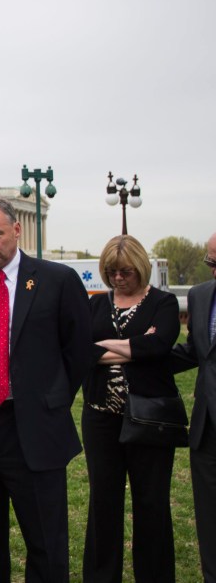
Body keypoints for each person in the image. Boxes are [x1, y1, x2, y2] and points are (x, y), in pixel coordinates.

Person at [0, 196, 92, 583]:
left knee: (45, 538)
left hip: (33, 426)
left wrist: (50, 397)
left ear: (16, 229)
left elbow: (77, 351)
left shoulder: (57, 280)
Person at [80, 235, 181, 582]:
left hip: (150, 417)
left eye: (126, 272)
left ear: (141, 267)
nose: (119, 278)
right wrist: (134, 346)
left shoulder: (163, 303)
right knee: (103, 503)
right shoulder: (94, 305)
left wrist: (102, 346)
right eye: (111, 272)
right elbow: (82, 352)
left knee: (151, 503)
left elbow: (159, 346)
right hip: (100, 418)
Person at [171, 231, 216, 582]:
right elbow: (195, 353)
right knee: (209, 519)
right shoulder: (200, 297)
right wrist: (138, 352)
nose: (214, 271)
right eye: (210, 262)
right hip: (207, 428)